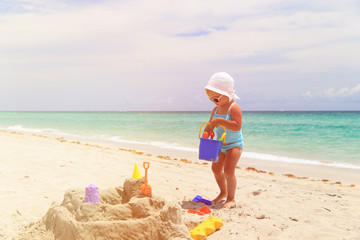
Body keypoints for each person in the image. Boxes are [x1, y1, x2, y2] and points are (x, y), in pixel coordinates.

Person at [203, 72, 243, 208]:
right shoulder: (216, 109)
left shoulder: (234, 108)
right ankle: (223, 192)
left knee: (228, 171)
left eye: (216, 99)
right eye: (211, 99)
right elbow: (210, 125)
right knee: (215, 169)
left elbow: (237, 126)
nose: (214, 101)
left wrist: (220, 120)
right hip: (219, 145)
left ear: (226, 94)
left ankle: (231, 198)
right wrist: (206, 131)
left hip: (234, 145)